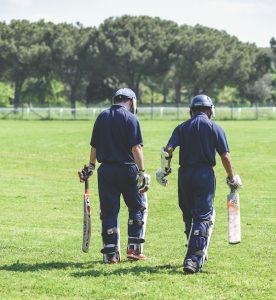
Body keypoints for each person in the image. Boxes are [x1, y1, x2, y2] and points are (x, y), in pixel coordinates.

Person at [156, 94, 242, 274]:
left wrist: (164, 170)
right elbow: (225, 156)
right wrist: (231, 177)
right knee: (202, 216)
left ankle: (194, 245)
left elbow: (168, 150)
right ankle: (193, 259)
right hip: (204, 174)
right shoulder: (214, 127)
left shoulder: (181, 127)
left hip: (184, 174)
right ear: (210, 110)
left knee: (188, 213)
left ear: (191, 110)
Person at [79, 88, 150, 264]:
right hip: (128, 170)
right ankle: (133, 249)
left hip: (106, 171)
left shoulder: (102, 117)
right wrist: (142, 171)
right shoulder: (131, 118)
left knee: (109, 211)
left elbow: (94, 147)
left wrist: (91, 167)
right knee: (136, 207)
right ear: (131, 101)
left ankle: (111, 254)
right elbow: (136, 148)